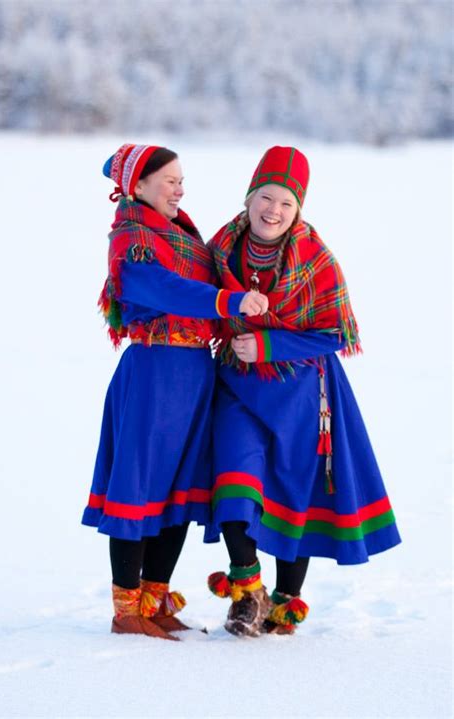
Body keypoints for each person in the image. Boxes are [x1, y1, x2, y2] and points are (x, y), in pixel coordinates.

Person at [205, 146, 401, 637]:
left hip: (301, 393)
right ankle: (247, 592)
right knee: (234, 477)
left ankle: (284, 603)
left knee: (298, 487)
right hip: (237, 385)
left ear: (299, 209)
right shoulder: (220, 247)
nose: (273, 210)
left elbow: (340, 333)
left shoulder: (317, 259)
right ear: (249, 197)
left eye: (285, 203)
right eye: (266, 198)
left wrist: (269, 344)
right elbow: (197, 298)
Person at [82, 143, 268, 640]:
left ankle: (154, 597)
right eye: (169, 181)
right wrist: (226, 300)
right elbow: (163, 289)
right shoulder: (132, 236)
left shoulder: (184, 233)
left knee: (180, 488)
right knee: (139, 484)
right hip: (154, 372)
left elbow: (220, 268)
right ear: (138, 187)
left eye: (181, 180)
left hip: (193, 373)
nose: (180, 189)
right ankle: (126, 610)